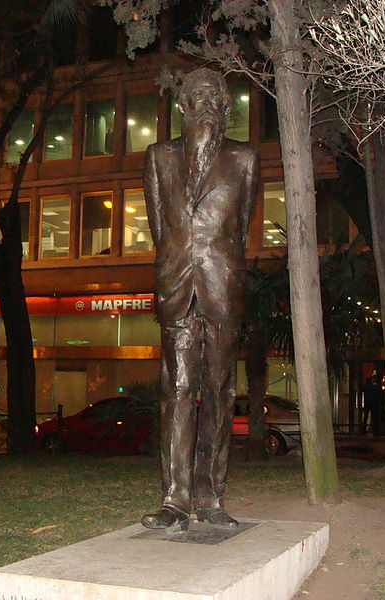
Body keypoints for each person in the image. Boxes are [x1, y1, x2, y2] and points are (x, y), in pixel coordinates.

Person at [140, 68, 258, 532]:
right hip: (176, 285)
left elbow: (240, 227)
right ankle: (173, 498)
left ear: (227, 107)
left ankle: (211, 496)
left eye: (217, 96)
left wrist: (212, 263)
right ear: (183, 105)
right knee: (177, 391)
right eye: (199, 95)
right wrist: (180, 264)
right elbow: (159, 228)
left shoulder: (245, 159)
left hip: (222, 288)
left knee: (219, 391)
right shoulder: (158, 157)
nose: (209, 102)